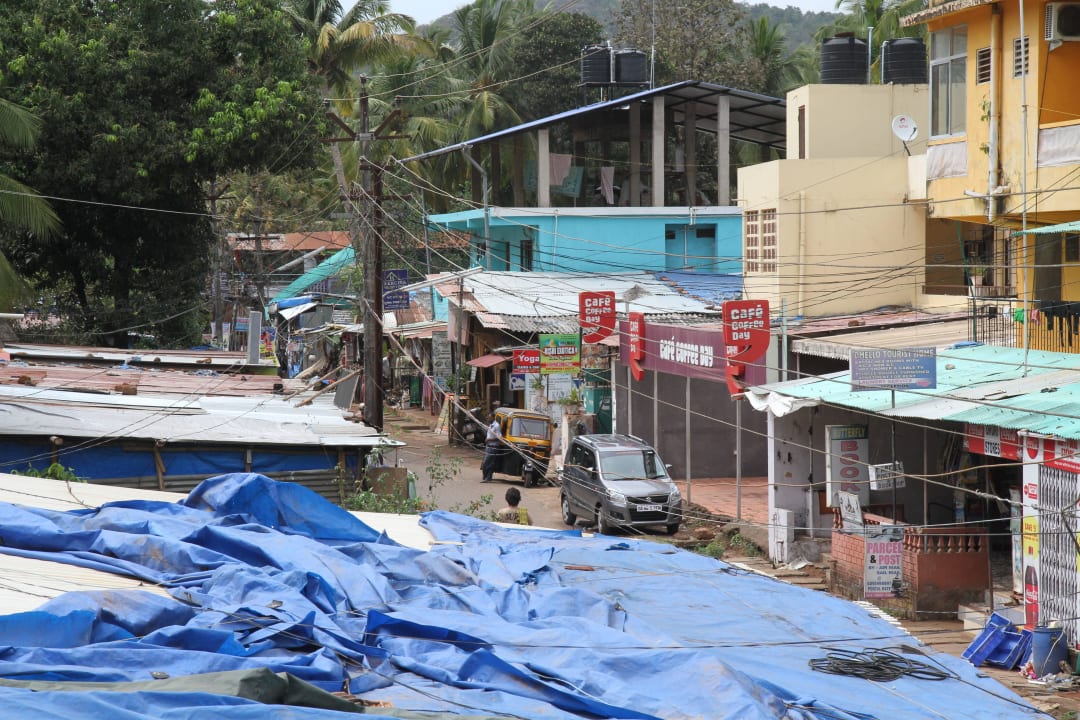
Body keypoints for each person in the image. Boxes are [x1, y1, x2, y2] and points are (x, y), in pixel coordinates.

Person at [481, 407, 503, 483]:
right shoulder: (490, 425)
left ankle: (487, 477)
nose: (488, 419)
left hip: (493, 447)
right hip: (488, 446)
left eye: (489, 418)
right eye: (488, 418)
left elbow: (499, 437)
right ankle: (487, 477)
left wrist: (489, 440)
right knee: (488, 462)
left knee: (487, 462)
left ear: (493, 418)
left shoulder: (497, 426)